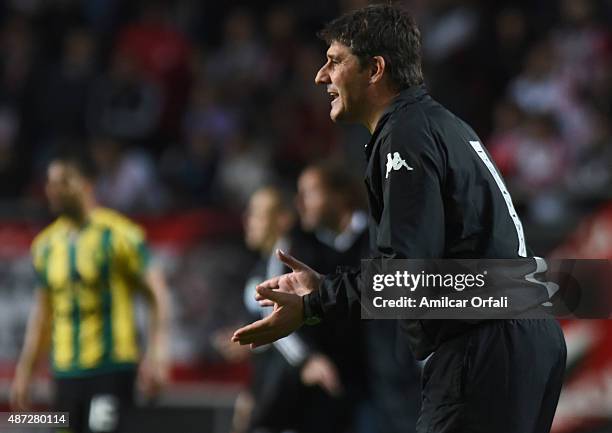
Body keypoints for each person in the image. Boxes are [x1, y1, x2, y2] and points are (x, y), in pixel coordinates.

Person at [233, 5, 566, 433]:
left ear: (375, 69)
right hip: (523, 334)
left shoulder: (405, 135)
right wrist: (324, 290)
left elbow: (403, 275)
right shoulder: (442, 125)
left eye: (335, 61)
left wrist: (315, 304)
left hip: (485, 342)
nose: (321, 76)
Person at [11, 157, 170, 433]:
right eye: (50, 183)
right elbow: (42, 314)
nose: (53, 190)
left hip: (111, 369)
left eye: (63, 182)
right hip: (64, 374)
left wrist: (156, 354)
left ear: (86, 185)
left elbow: (157, 293)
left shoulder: (119, 234)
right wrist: (25, 371)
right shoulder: (45, 245)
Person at [296, 161, 420, 433]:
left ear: (340, 195)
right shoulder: (301, 246)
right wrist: (308, 357)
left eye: (310, 192)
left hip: (393, 387)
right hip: (335, 390)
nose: (301, 204)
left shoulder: (382, 239)